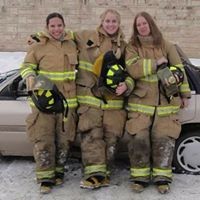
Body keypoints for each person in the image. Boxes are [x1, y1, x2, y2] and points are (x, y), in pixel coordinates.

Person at [125, 11, 191, 194]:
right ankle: (140, 178)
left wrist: (184, 94)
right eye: (138, 25)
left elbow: (179, 70)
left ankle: (162, 178)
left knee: (164, 139)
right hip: (140, 103)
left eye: (144, 23)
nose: (142, 27)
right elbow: (133, 68)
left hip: (166, 102)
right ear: (135, 28)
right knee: (139, 139)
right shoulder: (132, 47)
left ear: (151, 24)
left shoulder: (166, 45)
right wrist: (156, 63)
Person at [74, 9, 134, 189]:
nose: (110, 24)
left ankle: (104, 175)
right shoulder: (85, 36)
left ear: (119, 23)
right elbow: (60, 35)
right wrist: (39, 37)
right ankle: (94, 176)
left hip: (114, 104)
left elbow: (132, 73)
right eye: (107, 21)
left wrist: (127, 85)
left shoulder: (124, 47)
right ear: (101, 21)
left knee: (110, 140)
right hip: (90, 99)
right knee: (92, 137)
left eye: (114, 21)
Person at [20, 12, 78, 194]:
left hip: (66, 102)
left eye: (59, 25)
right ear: (47, 27)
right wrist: (29, 76)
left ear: (64, 26)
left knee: (63, 140)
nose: (56, 29)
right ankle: (45, 177)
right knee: (44, 140)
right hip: (44, 102)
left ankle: (58, 172)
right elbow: (27, 66)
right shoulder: (38, 46)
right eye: (52, 26)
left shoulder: (72, 44)